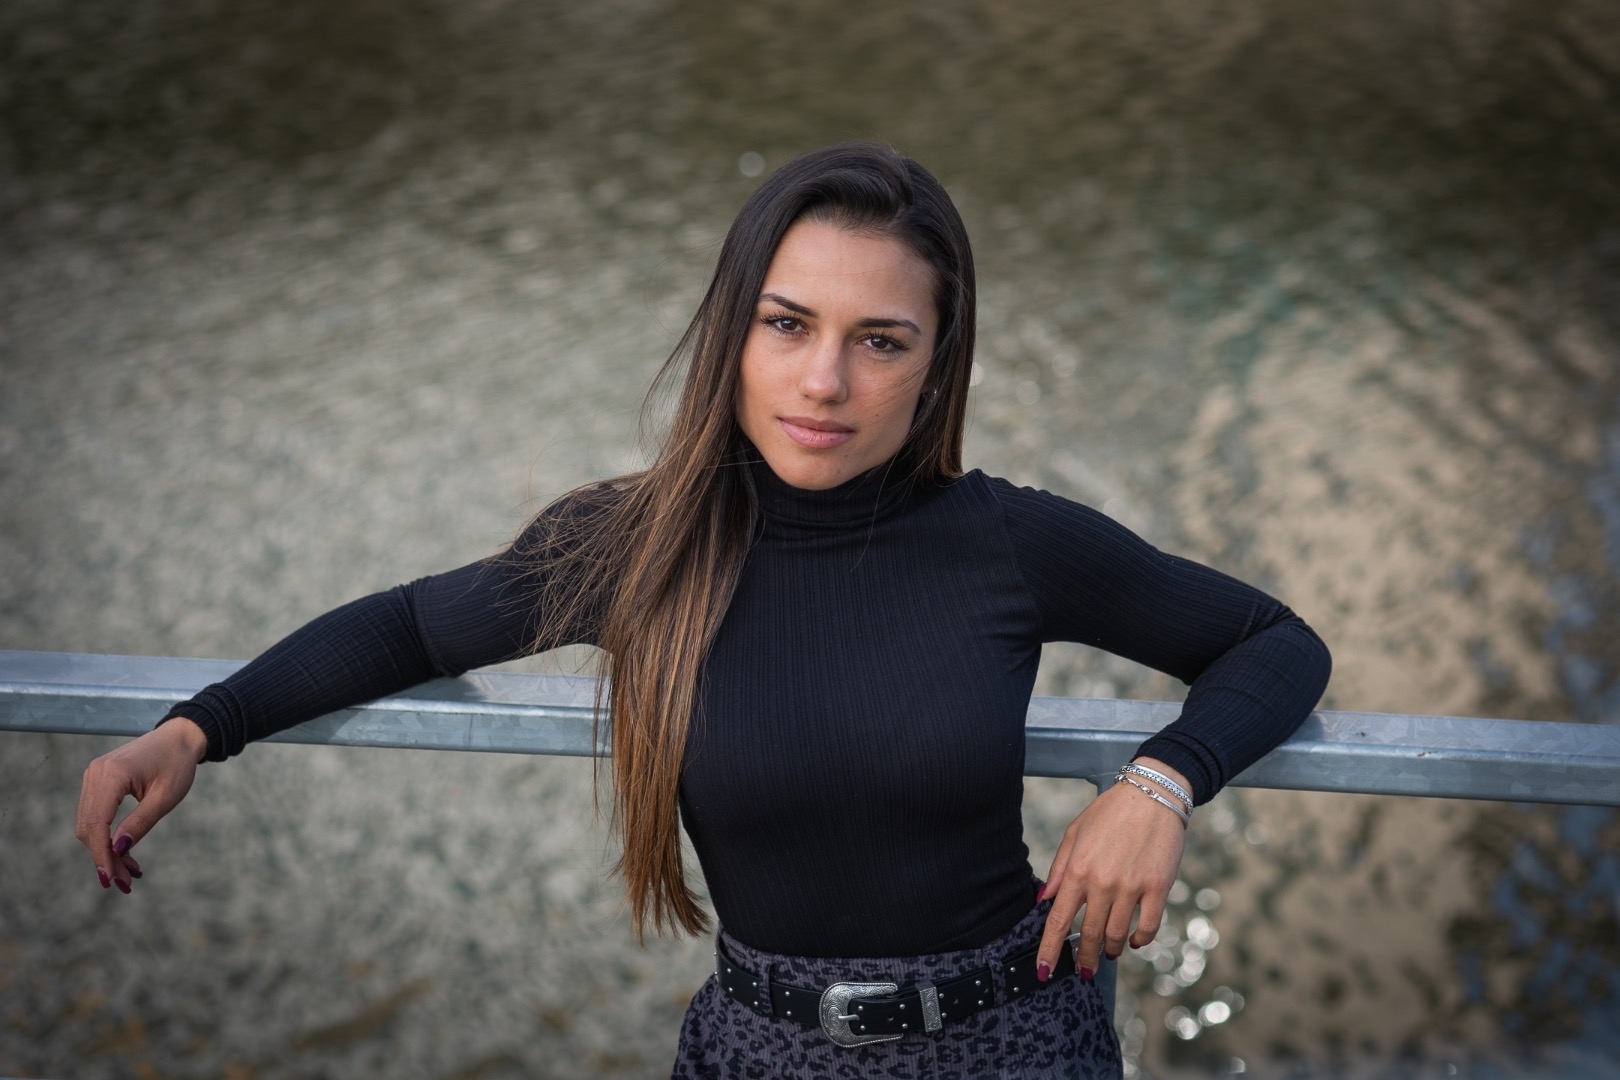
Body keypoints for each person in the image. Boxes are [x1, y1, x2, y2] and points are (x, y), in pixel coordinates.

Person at [75, 142, 1331, 1078]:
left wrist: (1159, 783)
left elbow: (1272, 643)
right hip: (758, 1050)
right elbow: (410, 627)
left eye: (880, 340)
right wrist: (198, 728)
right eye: (788, 325)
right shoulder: (638, 545)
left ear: (937, 363)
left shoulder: (1007, 541)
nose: (823, 380)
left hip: (1013, 1040)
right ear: (733, 331)